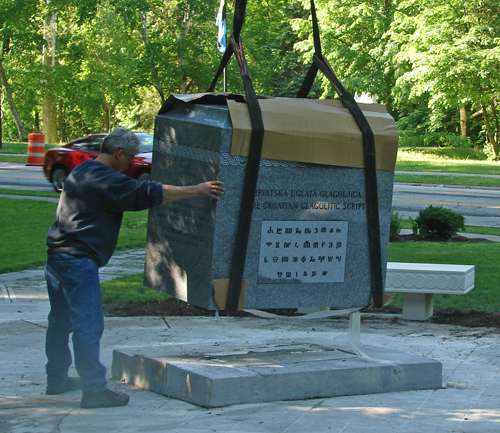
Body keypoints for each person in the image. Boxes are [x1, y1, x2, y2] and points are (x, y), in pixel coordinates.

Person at [44, 127, 224, 409]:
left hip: (56, 257)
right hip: (77, 261)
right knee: (87, 325)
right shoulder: (105, 179)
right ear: (118, 154)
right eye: (129, 158)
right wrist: (197, 190)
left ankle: (55, 379)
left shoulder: (83, 170)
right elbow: (148, 192)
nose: (129, 163)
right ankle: (94, 391)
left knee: (60, 322)